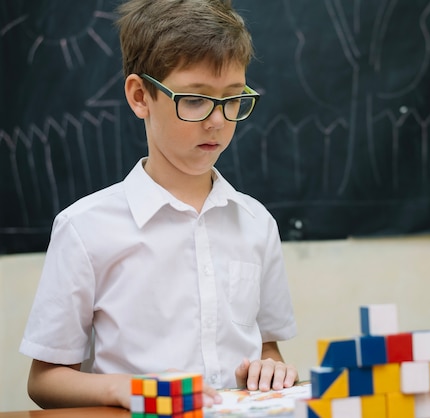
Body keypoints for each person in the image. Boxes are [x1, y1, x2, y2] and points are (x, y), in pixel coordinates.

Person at [19, 0, 298, 410]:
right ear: (140, 96)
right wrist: (124, 389)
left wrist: (271, 369)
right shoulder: (85, 227)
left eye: (234, 98)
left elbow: (267, 348)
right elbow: (44, 382)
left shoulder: (256, 223)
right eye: (195, 99)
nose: (217, 121)